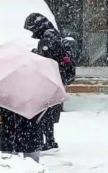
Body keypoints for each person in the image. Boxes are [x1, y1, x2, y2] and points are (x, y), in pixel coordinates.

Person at [24, 13, 75, 151]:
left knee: (43, 112)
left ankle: (45, 141)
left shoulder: (47, 39)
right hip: (55, 79)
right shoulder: (53, 35)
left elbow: (46, 60)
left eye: (32, 29)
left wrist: (35, 54)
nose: (32, 33)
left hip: (49, 80)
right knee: (47, 111)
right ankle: (49, 140)